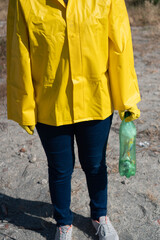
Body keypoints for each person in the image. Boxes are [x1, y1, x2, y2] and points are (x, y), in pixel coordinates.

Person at [7, 0, 141, 239]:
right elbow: (19, 52)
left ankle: (100, 216)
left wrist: (127, 99)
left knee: (95, 164)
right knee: (60, 169)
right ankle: (63, 222)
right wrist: (24, 107)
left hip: (95, 100)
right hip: (51, 103)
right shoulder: (24, 2)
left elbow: (120, 46)